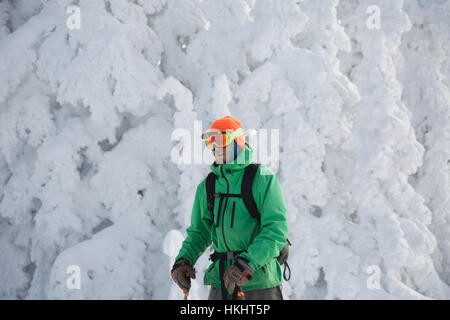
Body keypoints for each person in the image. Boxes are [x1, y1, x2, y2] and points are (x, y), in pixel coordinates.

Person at [170, 115, 288, 300]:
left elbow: (275, 232)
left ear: (238, 142)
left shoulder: (262, 179)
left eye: (221, 140)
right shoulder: (208, 186)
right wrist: (183, 261)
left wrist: (245, 265)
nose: (215, 147)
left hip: (258, 285)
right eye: (211, 142)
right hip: (221, 284)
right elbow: (199, 233)